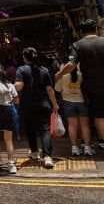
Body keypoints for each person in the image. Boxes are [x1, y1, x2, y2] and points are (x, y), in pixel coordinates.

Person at [55, 18, 104, 152]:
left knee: (100, 117)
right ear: (97, 29)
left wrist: (59, 74)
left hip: (94, 88)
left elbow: (71, 65)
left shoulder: (77, 45)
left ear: (81, 32)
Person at [15, 47, 59, 168]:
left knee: (30, 129)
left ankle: (34, 152)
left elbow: (19, 86)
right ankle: (48, 157)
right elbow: (49, 89)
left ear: (24, 57)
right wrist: (55, 104)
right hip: (43, 104)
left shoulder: (21, 70)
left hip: (27, 105)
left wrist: (8, 86)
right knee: (45, 130)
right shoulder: (44, 70)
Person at [55, 56, 93, 156]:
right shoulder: (81, 72)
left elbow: (58, 89)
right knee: (85, 125)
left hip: (67, 101)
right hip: (81, 101)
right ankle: (87, 148)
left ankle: (74, 148)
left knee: (72, 125)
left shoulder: (61, 74)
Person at [0, 64, 19, 174]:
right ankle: (11, 164)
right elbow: (17, 100)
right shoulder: (9, 85)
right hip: (7, 110)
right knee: (8, 139)